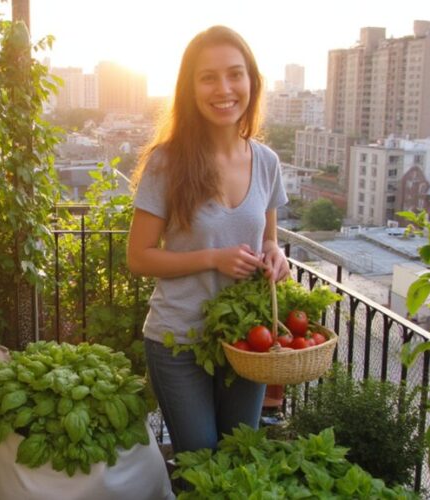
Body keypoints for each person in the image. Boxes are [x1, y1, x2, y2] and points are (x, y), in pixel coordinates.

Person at [126, 25, 290, 454]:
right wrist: (214, 258)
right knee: (199, 461)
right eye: (208, 77)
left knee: (239, 457)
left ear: (252, 82)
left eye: (235, 74)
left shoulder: (267, 162)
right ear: (190, 88)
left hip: (245, 341)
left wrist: (276, 256)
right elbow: (139, 257)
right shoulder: (167, 163)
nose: (224, 88)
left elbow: (269, 239)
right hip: (177, 340)